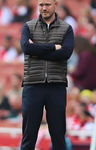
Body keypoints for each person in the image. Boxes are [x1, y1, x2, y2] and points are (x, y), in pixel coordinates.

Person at [20, 0, 74, 149]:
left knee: (58, 136)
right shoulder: (28, 26)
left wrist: (37, 51)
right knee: (28, 136)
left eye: (47, 4)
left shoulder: (67, 28)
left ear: (56, 4)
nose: (44, 8)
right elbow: (26, 48)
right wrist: (53, 48)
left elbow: (66, 53)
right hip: (32, 84)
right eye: (41, 4)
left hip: (56, 85)